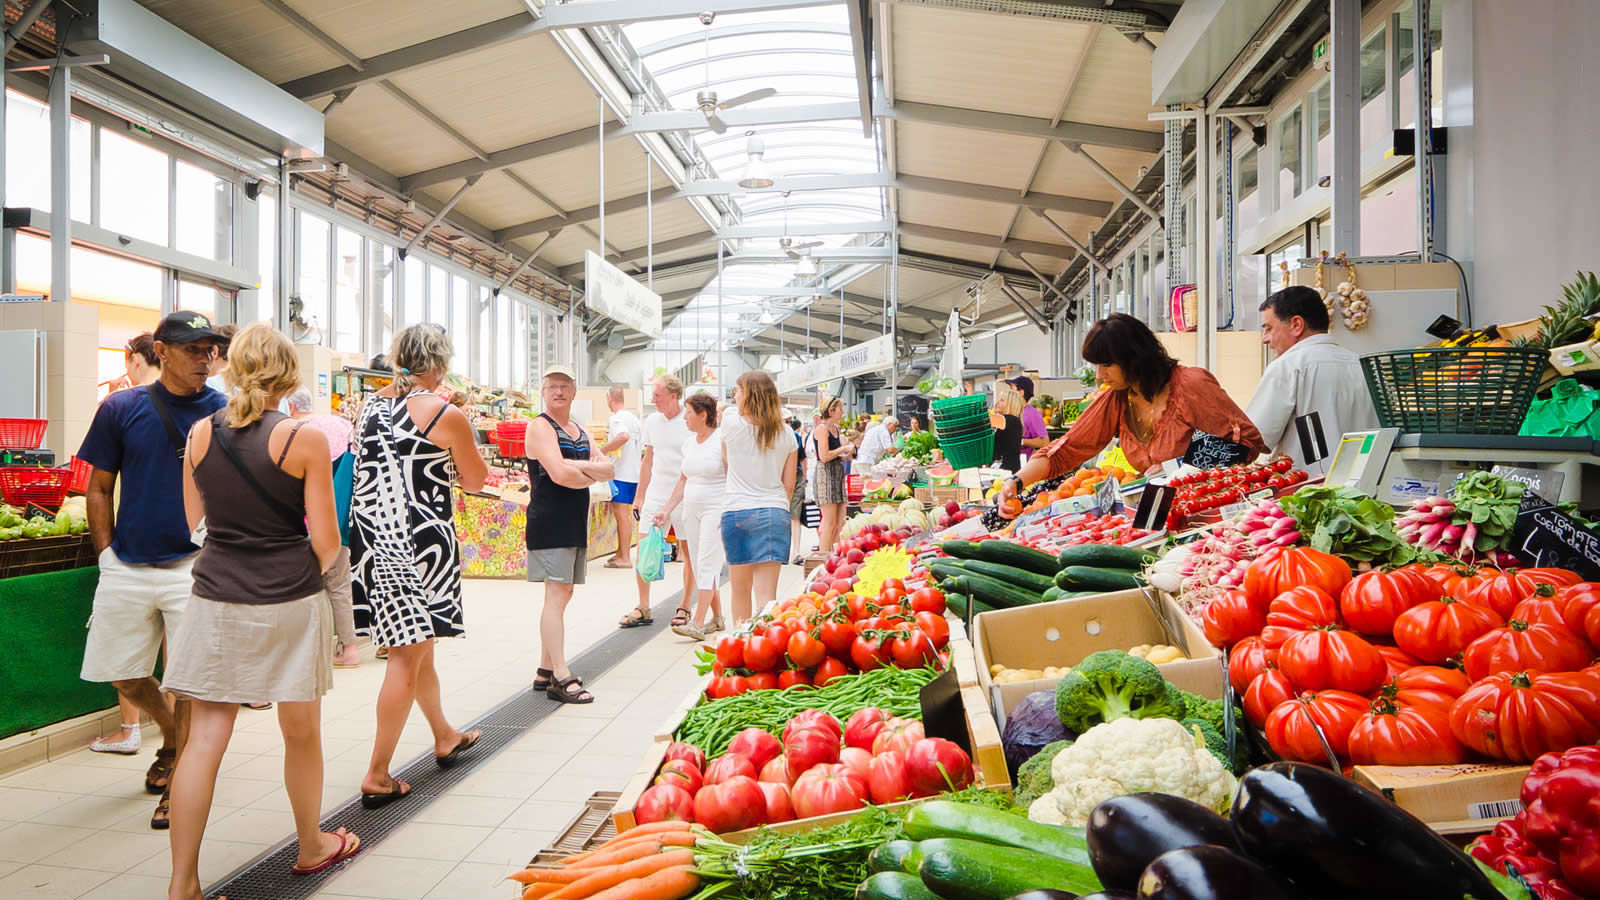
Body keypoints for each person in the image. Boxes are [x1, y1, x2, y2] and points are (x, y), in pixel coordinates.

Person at [164, 323, 361, 898]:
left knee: (205, 737)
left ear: (231, 367)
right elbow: (327, 539)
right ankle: (311, 844)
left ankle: (182, 884)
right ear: (288, 374)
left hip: (214, 598)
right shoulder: (303, 438)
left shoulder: (200, 433)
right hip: (289, 600)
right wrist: (298, 570)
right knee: (301, 732)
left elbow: (194, 524)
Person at [76, 310, 226, 829]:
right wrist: (106, 553)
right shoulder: (121, 408)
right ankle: (171, 733)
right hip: (128, 561)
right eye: (192, 349)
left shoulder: (224, 412)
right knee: (118, 669)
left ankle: (180, 778)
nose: (204, 359)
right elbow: (99, 487)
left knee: (188, 679)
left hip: (196, 565)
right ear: (160, 351)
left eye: (209, 350)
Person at [350, 324, 487, 809]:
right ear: (441, 364)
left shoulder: (369, 407)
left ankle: (444, 734)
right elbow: (475, 480)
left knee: (418, 647)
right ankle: (377, 773)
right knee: (407, 656)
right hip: (417, 545)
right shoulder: (444, 413)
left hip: (373, 542)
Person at [997, 314, 1267, 506]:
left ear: (1135, 358)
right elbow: (1066, 449)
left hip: (1208, 507)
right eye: (1096, 366)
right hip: (1158, 509)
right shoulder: (1117, 399)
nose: (1100, 375)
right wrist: (1016, 482)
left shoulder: (1189, 385)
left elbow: (1246, 442)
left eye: (1107, 365)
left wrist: (1178, 467)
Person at [90, 332, 164, 756]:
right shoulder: (124, 406)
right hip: (174, 553)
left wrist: (106, 553)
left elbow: (98, 485)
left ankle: (131, 729)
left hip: (136, 548)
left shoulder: (119, 405)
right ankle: (176, 740)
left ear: (134, 358)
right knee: (176, 662)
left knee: (126, 657)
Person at [525, 365, 613, 703]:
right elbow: (560, 475)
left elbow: (609, 469)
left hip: (574, 522)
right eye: (552, 386)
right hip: (549, 521)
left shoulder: (579, 431)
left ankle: (544, 669)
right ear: (543, 392)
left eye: (564, 386)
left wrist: (577, 467)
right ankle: (560, 676)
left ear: (574, 392)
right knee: (557, 594)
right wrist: (588, 472)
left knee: (563, 593)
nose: (559, 391)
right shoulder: (539, 426)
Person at [1245, 285, 1379, 469]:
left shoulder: (1288, 366)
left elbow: (1257, 438)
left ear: (1296, 325)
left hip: (1307, 483)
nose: (1264, 339)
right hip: (1364, 481)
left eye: (1268, 328)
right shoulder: (1367, 367)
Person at [287, 388, 361, 668]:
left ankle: (308, 649)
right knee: (339, 584)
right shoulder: (341, 424)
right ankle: (349, 647)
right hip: (338, 518)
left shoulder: (294, 432)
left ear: (291, 406)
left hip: (306, 521)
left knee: (304, 587)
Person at [718, 372, 798, 624]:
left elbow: (727, 463)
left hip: (737, 511)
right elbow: (789, 485)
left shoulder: (731, 425)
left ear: (750, 395)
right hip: (774, 512)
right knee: (767, 597)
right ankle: (766, 643)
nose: (734, 396)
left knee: (739, 590)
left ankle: (740, 641)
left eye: (738, 391)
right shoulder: (787, 434)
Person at [652, 393, 726, 640]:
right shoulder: (689, 444)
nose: (685, 417)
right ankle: (718, 617)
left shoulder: (721, 441)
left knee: (707, 561)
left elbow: (732, 476)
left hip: (715, 509)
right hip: (690, 510)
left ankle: (698, 622)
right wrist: (666, 509)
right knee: (697, 562)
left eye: (689, 412)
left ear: (703, 415)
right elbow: (682, 480)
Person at [624, 375, 694, 630]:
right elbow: (648, 460)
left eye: (657, 395)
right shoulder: (652, 421)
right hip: (656, 492)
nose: (653, 400)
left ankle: (685, 605)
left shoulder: (689, 421)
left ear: (674, 396)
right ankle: (643, 606)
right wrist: (639, 496)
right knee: (644, 549)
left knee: (688, 552)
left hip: (685, 494)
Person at [601, 385, 643, 569]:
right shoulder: (633, 418)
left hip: (621, 474)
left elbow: (623, 436)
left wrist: (601, 451)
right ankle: (621, 552)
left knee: (621, 515)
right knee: (624, 515)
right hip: (634, 473)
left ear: (609, 398)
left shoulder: (616, 418)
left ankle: (625, 557)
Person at [814, 398, 853, 555]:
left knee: (839, 523)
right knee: (829, 523)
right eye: (840, 409)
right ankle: (824, 557)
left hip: (837, 474)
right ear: (830, 411)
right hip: (826, 476)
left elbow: (833, 456)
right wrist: (843, 448)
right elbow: (824, 456)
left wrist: (846, 456)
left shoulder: (835, 429)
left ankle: (835, 556)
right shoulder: (822, 429)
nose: (842, 412)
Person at [1008, 376, 1050, 458]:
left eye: (1011, 388)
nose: (1009, 391)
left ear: (1021, 392)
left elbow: (1044, 442)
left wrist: (1020, 441)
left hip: (1022, 462)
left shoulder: (1032, 414)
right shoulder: (1009, 410)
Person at [992, 383, 1024, 471]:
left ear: (1011, 403)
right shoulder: (1007, 422)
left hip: (1007, 471)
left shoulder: (1012, 420)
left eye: (1002, 400)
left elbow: (986, 420)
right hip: (1002, 470)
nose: (997, 402)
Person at [787, 418, 806, 565]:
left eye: (788, 421)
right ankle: (790, 552)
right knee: (788, 516)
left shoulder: (795, 437)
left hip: (795, 477)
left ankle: (796, 551)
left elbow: (802, 459)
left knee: (795, 515)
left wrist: (805, 479)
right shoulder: (771, 435)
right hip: (780, 479)